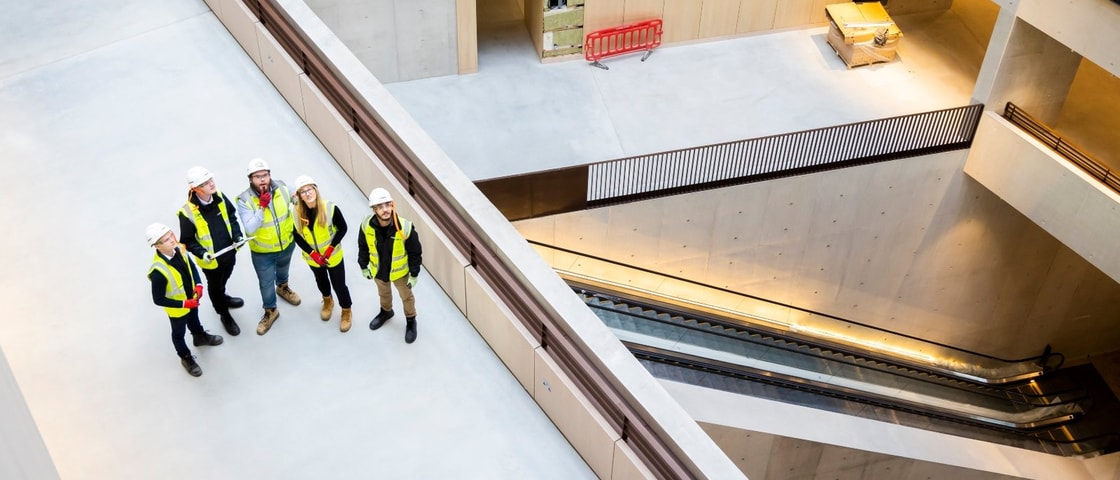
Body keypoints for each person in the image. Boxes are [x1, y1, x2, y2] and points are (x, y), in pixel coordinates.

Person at [146, 223, 223, 377]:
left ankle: (199, 336)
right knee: (178, 333)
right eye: (167, 240)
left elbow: (192, 267)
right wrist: (184, 304)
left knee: (194, 320)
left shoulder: (180, 249)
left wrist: (199, 285)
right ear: (157, 246)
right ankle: (185, 357)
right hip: (178, 310)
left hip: (192, 300)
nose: (173, 240)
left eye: (171, 235)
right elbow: (158, 299)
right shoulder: (158, 271)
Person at [236, 158, 302, 335]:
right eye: (257, 177)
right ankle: (271, 311)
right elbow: (250, 227)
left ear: (269, 175)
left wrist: (298, 199)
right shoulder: (245, 200)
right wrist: (262, 208)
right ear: (250, 179)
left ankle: (283, 287)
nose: (262, 179)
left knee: (283, 270)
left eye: (264, 175)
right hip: (263, 252)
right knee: (265, 284)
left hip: (286, 244)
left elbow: (294, 202)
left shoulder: (281, 187)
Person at [178, 166, 246, 336]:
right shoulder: (187, 213)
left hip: (229, 253)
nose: (211, 184)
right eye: (205, 183)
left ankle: (223, 297)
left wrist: (237, 236)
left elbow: (231, 217)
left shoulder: (221, 197)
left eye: (211, 180)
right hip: (211, 261)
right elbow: (188, 240)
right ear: (195, 189)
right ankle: (224, 314)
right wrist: (202, 253)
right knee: (215, 287)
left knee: (224, 279)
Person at [358, 187, 423, 344]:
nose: (385, 210)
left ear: (392, 205)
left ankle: (410, 321)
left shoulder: (405, 228)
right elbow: (363, 246)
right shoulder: (366, 225)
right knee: (384, 294)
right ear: (374, 210)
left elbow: (415, 253)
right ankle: (386, 312)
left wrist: (414, 274)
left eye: (387, 205)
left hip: (400, 273)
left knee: (406, 297)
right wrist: (363, 265)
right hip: (379, 271)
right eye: (380, 207)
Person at [291, 175, 354, 332]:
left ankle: (346, 310)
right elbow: (297, 236)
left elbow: (343, 228)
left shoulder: (330, 208)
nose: (307, 193)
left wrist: (331, 248)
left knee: (339, 285)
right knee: (321, 281)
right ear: (299, 196)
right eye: (303, 191)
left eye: (310, 189)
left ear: (316, 190)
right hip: (314, 259)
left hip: (332, 257)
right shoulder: (295, 214)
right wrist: (313, 254)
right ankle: (327, 300)